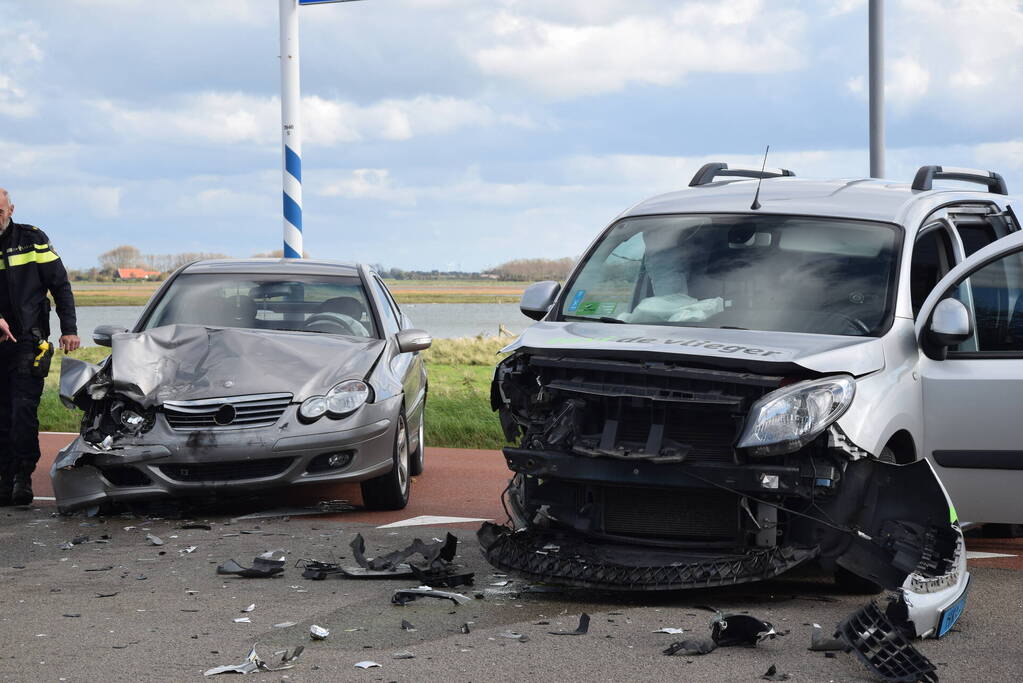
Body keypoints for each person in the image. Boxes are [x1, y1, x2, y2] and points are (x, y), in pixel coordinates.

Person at [0, 188, 79, 505]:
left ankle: (22, 477)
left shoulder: (32, 239)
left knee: (22, 412)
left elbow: (60, 285)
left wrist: (69, 329)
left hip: (29, 342)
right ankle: (4, 479)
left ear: (11, 209)